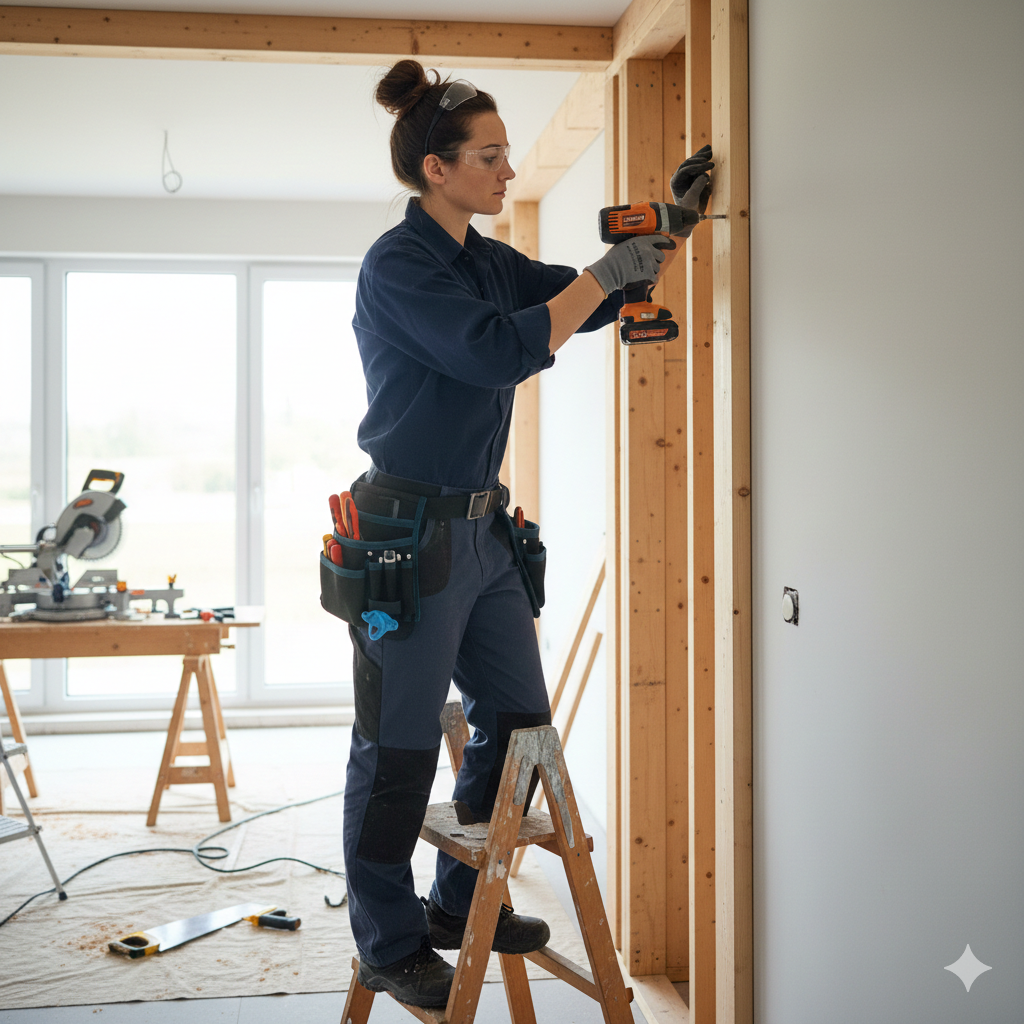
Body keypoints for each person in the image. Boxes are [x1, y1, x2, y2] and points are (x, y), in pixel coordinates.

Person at [340, 59, 709, 1009]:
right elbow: (502, 347)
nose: (507, 173)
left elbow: (596, 302)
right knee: (399, 747)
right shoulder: (401, 265)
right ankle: (386, 936)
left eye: (506, 156)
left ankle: (459, 905)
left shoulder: (487, 261)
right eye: (490, 157)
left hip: (484, 533)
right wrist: (603, 275)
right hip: (408, 533)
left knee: (519, 726)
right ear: (435, 168)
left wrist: (666, 228)